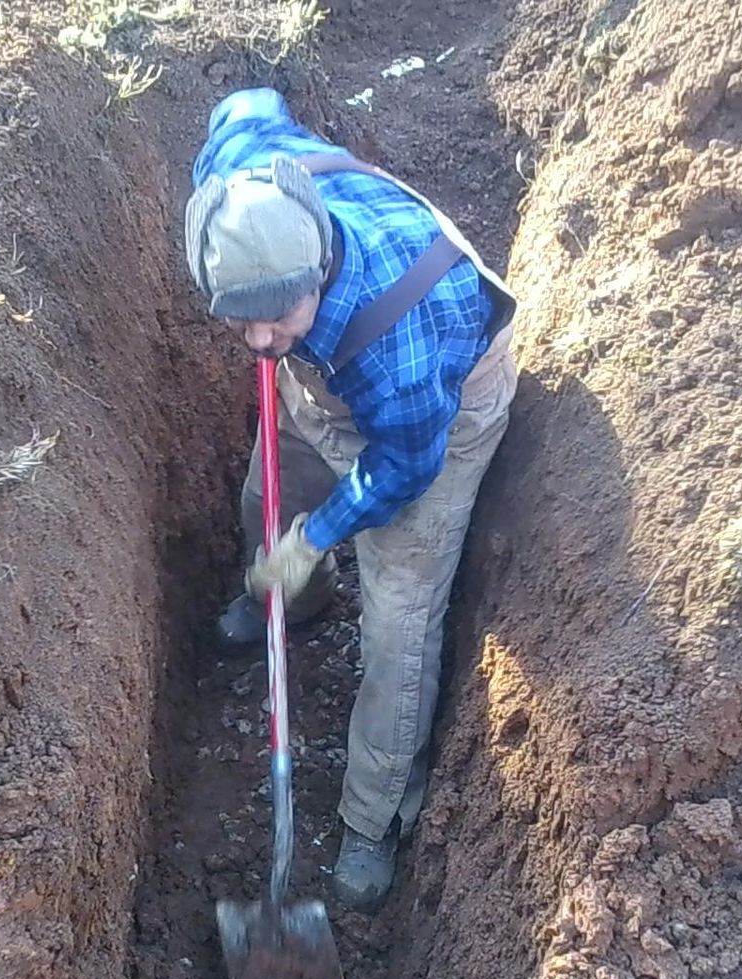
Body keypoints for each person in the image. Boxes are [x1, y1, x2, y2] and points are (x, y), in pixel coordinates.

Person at [182, 87, 518, 913]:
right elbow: (246, 106)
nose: (257, 342)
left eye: (275, 320)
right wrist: (291, 535)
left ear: (319, 269)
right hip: (326, 374)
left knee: (400, 617)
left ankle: (374, 821)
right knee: (265, 502)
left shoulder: (401, 345)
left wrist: (318, 535)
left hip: (439, 413)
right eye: (241, 322)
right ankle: (295, 605)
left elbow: (402, 468)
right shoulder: (241, 181)